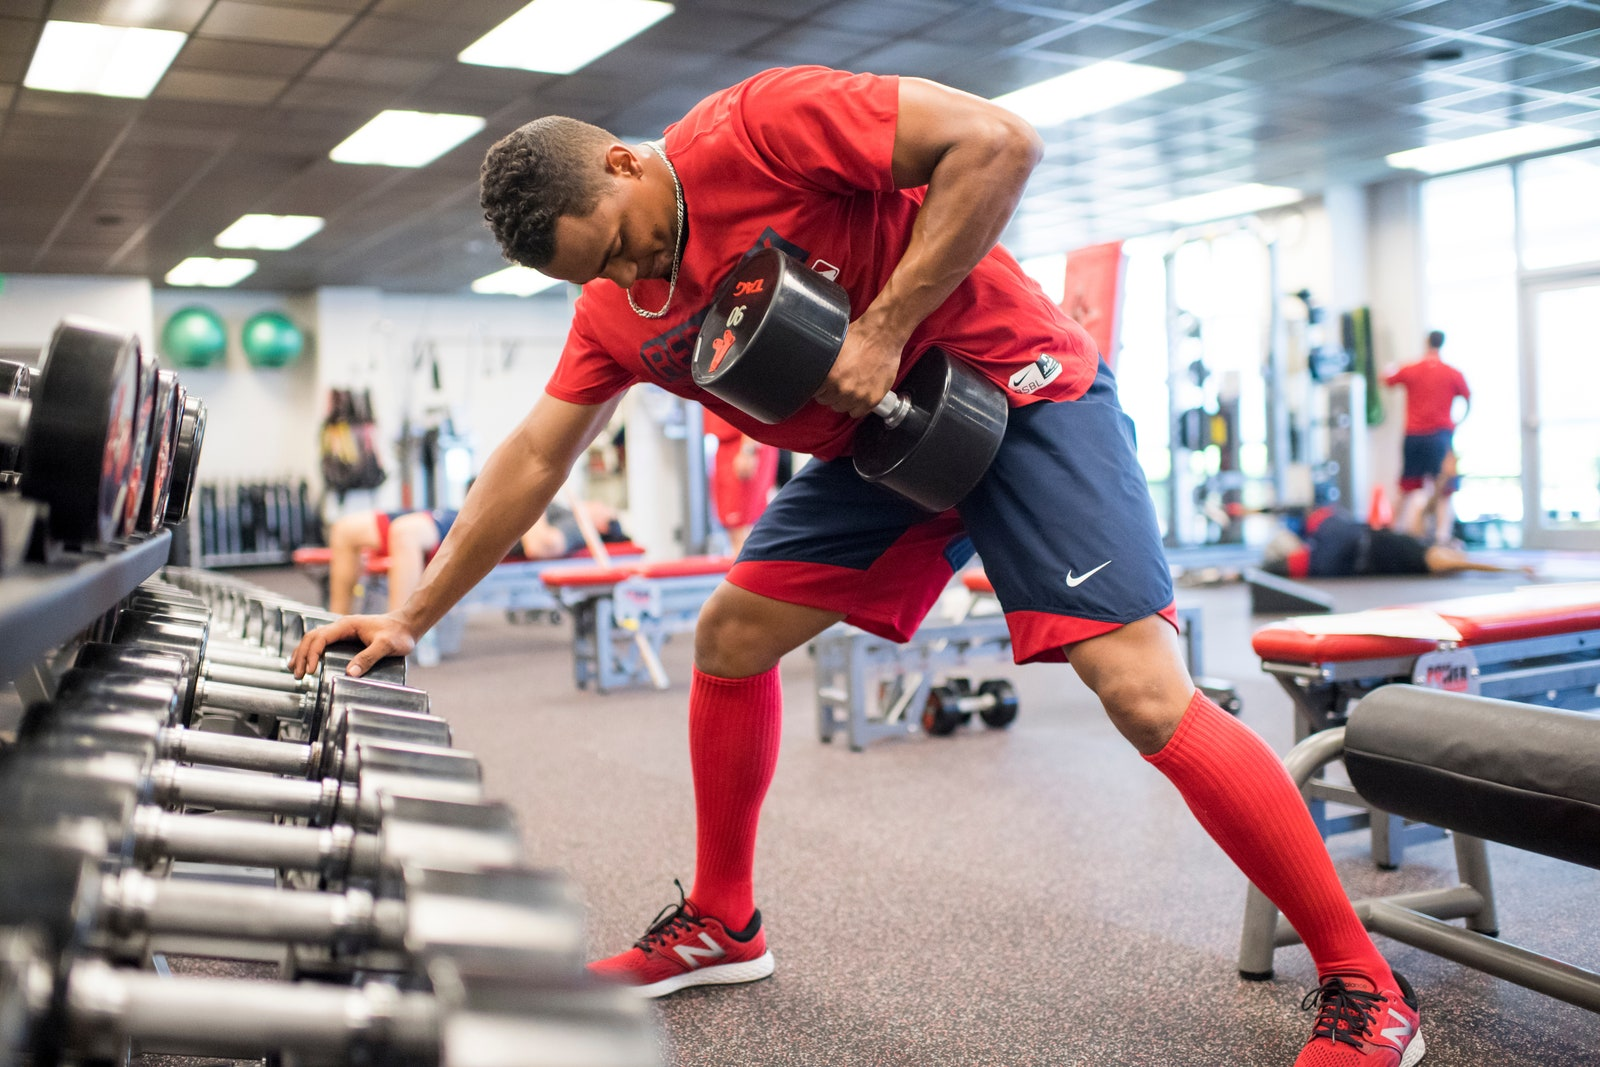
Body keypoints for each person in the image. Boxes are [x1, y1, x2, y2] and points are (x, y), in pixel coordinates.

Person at [291, 67, 1422, 1066]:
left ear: (627, 163)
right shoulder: (613, 314)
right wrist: (409, 612)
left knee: (1138, 690)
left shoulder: (757, 127)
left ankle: (1366, 981)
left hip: (1012, 387)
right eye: (605, 269)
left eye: (628, 237)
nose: (638, 271)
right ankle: (724, 920)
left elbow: (998, 141)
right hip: (878, 447)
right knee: (728, 636)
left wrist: (882, 329)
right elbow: (534, 455)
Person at [324, 498, 623, 614]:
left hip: (474, 528)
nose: (599, 504)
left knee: (404, 532)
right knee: (344, 530)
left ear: (605, 523)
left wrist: (540, 495)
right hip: (467, 510)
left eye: (605, 508)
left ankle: (393, 632)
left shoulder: (580, 525)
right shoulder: (567, 509)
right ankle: (336, 623)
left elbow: (542, 546)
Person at [1259, 506, 1534, 579]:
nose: (1457, 546)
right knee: (1316, 517)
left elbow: (1471, 563)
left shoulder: (1432, 558)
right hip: (1347, 543)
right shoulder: (1423, 545)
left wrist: (1513, 569)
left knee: (1282, 561)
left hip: (1347, 552)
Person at [1383, 330, 1470, 545]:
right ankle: (1442, 538)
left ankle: (1394, 537)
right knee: (1444, 491)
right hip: (1439, 437)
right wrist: (1457, 422)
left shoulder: (1411, 369)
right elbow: (1469, 399)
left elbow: (1386, 379)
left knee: (1406, 489)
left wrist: (1391, 366)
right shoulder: (1451, 373)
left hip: (1414, 437)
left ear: (1426, 342)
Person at [702, 408, 779, 554]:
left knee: (741, 529)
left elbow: (755, 401)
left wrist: (748, 449)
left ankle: (749, 574)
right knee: (733, 528)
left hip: (743, 444)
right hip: (726, 444)